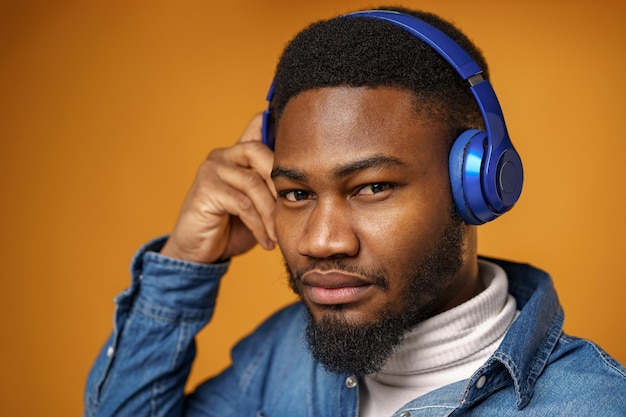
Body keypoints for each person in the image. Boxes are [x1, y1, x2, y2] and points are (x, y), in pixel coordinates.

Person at [84, 6, 626, 417]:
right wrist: (186, 264)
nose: (321, 242)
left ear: (477, 185)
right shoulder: (279, 357)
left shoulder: (594, 404)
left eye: (371, 188)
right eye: (296, 194)